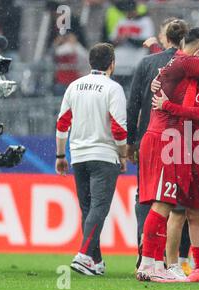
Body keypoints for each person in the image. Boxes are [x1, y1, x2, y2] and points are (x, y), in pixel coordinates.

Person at [135, 32, 199, 283]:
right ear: (192, 49)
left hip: (172, 141)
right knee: (164, 206)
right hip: (166, 139)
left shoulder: (177, 66)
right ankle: (150, 264)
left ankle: (159, 264)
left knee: (169, 206)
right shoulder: (187, 62)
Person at [126, 19, 193, 276]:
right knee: (173, 201)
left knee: (145, 195)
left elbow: (133, 105)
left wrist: (130, 142)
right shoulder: (188, 64)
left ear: (165, 37)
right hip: (178, 140)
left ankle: (144, 254)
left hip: (148, 137)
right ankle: (167, 258)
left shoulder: (146, 63)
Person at [55, 43, 127, 276]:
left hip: (78, 155)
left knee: (87, 208)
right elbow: (118, 129)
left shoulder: (74, 86)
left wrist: (59, 155)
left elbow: (62, 123)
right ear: (112, 64)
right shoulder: (113, 88)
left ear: (90, 62)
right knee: (99, 207)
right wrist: (123, 154)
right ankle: (84, 255)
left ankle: (95, 261)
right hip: (104, 155)